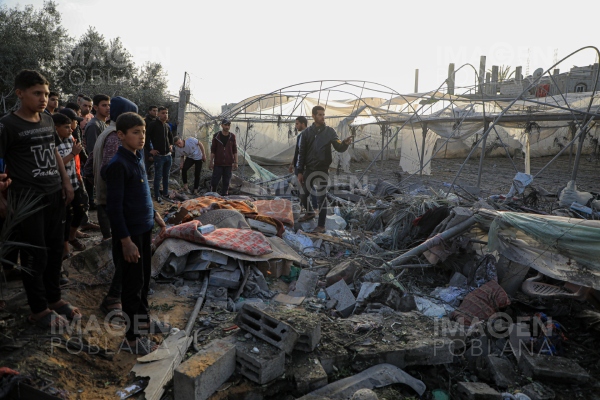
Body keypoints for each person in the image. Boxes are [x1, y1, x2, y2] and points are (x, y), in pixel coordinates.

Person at [0, 69, 77, 329]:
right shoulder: (7, 125)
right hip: (27, 200)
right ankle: (38, 309)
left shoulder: (47, 119)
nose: (43, 99)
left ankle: (53, 299)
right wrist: (1, 199)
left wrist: (65, 181)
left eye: (46, 93)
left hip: (54, 195)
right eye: (37, 93)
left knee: (56, 250)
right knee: (34, 254)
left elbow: (53, 149)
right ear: (20, 93)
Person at [103, 112, 167, 355]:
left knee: (143, 282)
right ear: (121, 135)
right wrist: (126, 241)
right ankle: (131, 340)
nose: (142, 137)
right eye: (135, 133)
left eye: (143, 132)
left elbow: (144, 194)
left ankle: (144, 323)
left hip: (143, 230)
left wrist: (156, 216)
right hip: (129, 236)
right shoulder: (117, 165)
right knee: (131, 287)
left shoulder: (137, 157)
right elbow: (114, 208)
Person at [94, 97, 139, 320]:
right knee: (125, 249)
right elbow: (110, 169)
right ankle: (113, 297)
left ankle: (117, 293)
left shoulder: (108, 131)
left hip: (113, 199)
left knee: (123, 250)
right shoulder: (114, 137)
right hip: (116, 202)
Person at [296, 106, 353, 233]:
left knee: (321, 197)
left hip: (322, 170)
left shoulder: (329, 131)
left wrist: (344, 143)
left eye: (323, 114)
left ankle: (321, 225)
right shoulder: (306, 133)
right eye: (320, 115)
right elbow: (302, 153)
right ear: (314, 116)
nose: (323, 117)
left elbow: (338, 146)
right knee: (303, 194)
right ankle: (310, 212)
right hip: (309, 169)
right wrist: (300, 171)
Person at [52, 113, 86, 258]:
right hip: (61, 187)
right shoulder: (52, 144)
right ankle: (65, 247)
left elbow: (76, 162)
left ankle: (71, 237)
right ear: (56, 128)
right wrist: (73, 153)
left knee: (80, 211)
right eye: (66, 127)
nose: (70, 129)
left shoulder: (70, 139)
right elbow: (55, 166)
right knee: (64, 217)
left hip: (74, 182)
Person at [82, 94, 110, 210]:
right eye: (104, 105)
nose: (108, 108)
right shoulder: (94, 125)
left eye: (109, 105)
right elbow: (93, 152)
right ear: (96, 107)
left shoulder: (104, 124)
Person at [146, 106, 173, 204]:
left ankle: (165, 194)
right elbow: (146, 137)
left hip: (168, 156)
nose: (165, 115)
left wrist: (171, 145)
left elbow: (171, 138)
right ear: (158, 114)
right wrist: (150, 150)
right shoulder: (153, 125)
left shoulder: (167, 126)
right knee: (158, 177)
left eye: (166, 113)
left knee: (166, 176)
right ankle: (157, 195)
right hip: (159, 156)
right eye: (163, 113)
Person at [209, 119, 237, 195]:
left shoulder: (232, 136)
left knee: (226, 183)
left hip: (228, 164)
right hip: (218, 163)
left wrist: (236, 162)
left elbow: (235, 150)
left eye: (228, 125)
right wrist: (211, 162)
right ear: (222, 125)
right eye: (225, 125)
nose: (227, 127)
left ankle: (224, 198)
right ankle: (213, 195)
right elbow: (213, 151)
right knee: (214, 182)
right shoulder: (216, 136)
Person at [143, 105, 158, 177]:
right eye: (154, 111)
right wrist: (149, 151)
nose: (155, 112)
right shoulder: (145, 121)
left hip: (155, 145)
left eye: (156, 111)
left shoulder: (157, 121)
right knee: (147, 163)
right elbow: (146, 137)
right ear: (149, 111)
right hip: (146, 145)